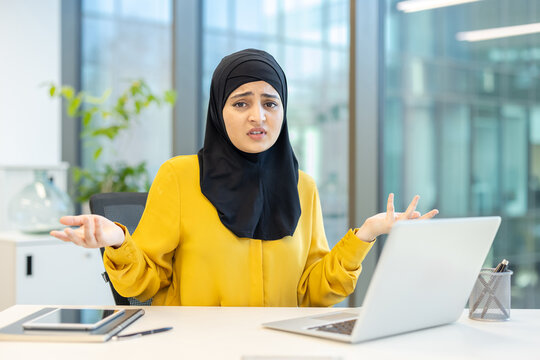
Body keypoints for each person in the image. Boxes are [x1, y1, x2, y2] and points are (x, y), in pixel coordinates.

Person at [50, 49, 438, 307]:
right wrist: (119, 240)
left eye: (270, 103)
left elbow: (313, 292)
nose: (259, 117)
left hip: (279, 347)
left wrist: (365, 234)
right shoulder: (181, 176)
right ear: (220, 111)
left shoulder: (302, 186)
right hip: (199, 349)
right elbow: (143, 286)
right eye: (241, 103)